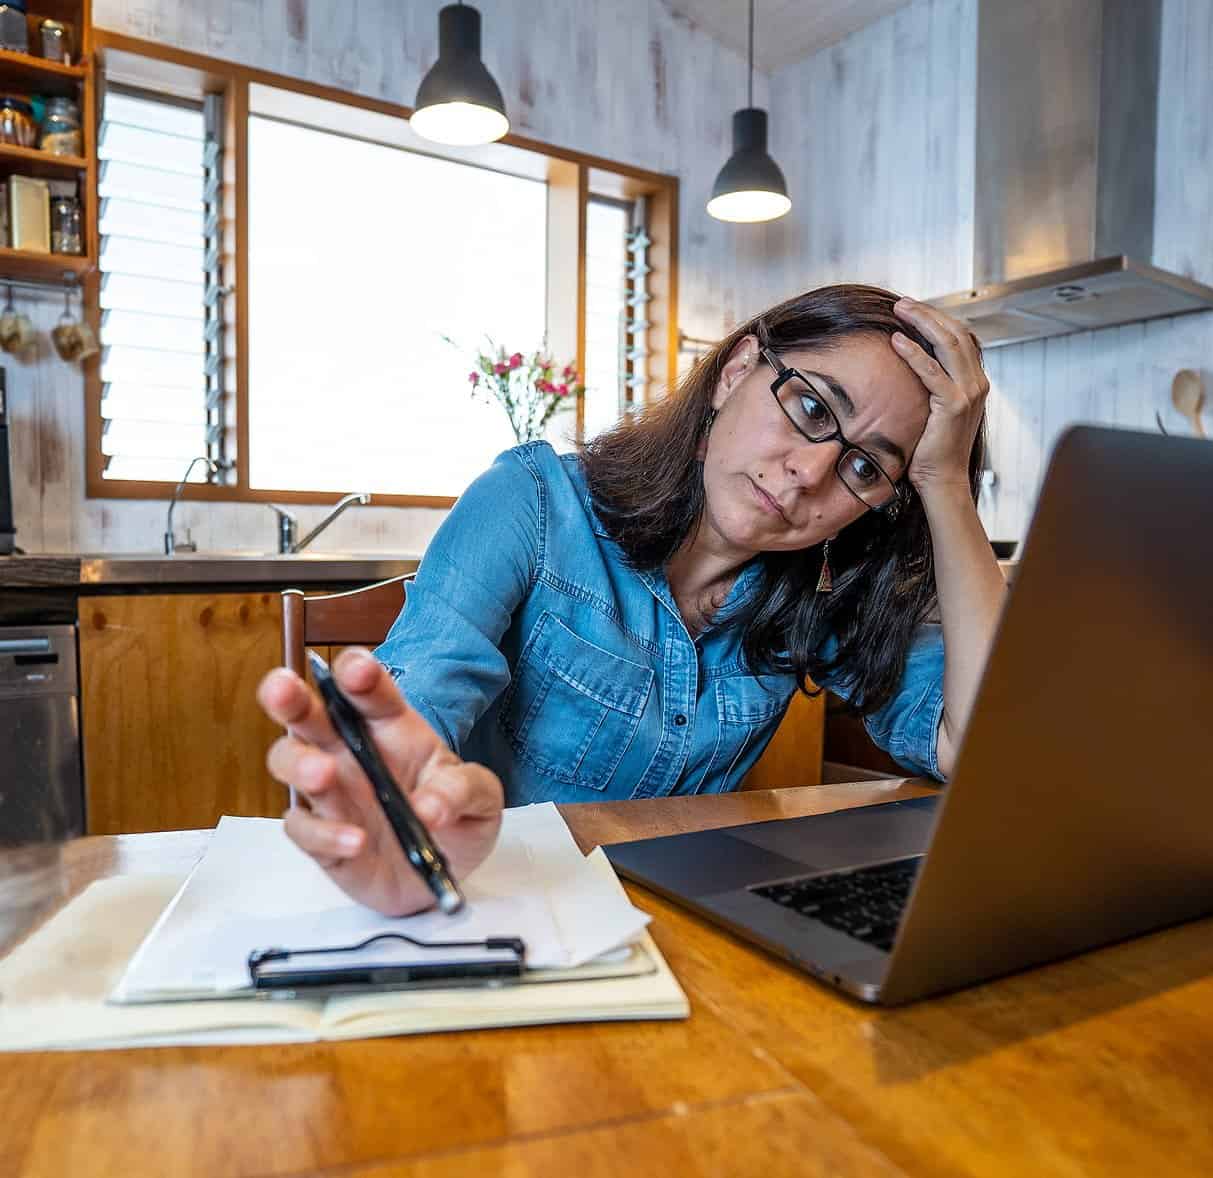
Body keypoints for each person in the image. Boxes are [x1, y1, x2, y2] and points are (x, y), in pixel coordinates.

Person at [256, 284, 1006, 915]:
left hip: (687, 927)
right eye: (811, 410)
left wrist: (944, 486)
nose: (810, 473)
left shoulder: (818, 592)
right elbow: (421, 694)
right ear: (736, 371)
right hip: (497, 904)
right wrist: (390, 803)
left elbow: (982, 752)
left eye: (866, 468)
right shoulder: (533, 503)